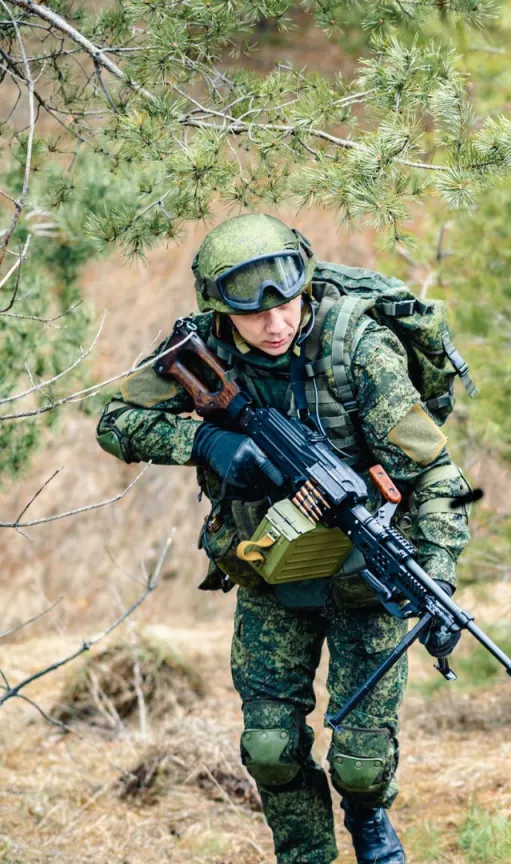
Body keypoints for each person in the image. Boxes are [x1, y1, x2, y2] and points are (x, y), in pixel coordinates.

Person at [96, 214, 474, 864]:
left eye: (289, 305)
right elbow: (115, 421)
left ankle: (365, 813)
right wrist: (206, 440)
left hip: (368, 578)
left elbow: (439, 475)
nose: (277, 325)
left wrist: (438, 576)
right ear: (221, 309)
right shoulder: (201, 344)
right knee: (270, 749)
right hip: (270, 571)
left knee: (359, 763)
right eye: (255, 314)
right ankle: (306, 854)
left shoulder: (357, 348)